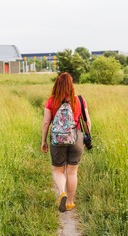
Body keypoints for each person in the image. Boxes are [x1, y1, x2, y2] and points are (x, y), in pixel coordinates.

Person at [41, 72, 91, 212]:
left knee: (58, 170)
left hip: (57, 139)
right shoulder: (79, 100)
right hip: (76, 137)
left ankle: (62, 192)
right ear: (71, 85)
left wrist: (43, 141)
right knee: (72, 172)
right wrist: (86, 137)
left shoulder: (51, 101)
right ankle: (69, 202)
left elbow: (46, 123)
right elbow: (87, 122)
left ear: (57, 84)